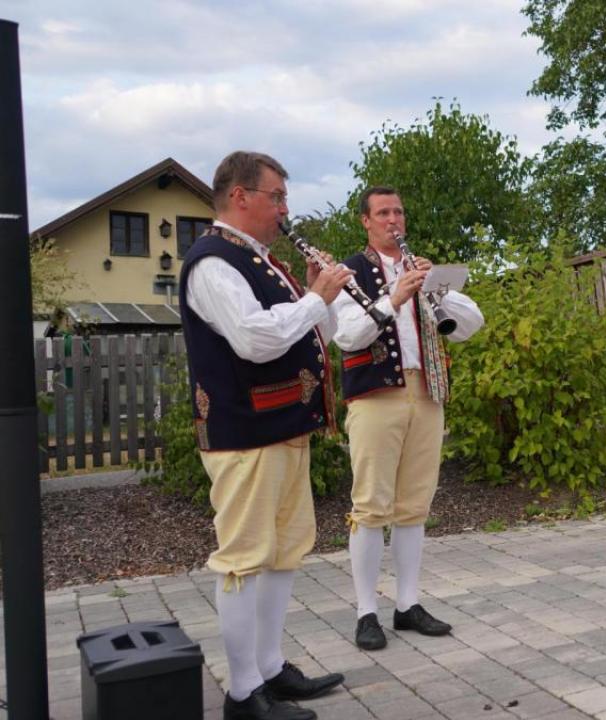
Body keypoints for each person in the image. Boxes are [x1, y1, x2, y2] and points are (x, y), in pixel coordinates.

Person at [179, 151, 346, 720]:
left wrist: (319, 297)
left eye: (284, 197)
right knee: (245, 558)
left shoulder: (261, 260)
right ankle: (243, 693)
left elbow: (315, 333)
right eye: (275, 196)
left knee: (282, 552)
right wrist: (315, 299)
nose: (284, 208)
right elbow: (253, 340)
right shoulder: (213, 262)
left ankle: (270, 668)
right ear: (239, 196)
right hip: (244, 431)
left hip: (283, 425)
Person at [332, 186, 484, 651]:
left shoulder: (425, 269)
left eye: (398, 211)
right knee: (371, 505)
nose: (393, 219)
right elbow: (347, 336)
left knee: (415, 504)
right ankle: (365, 612)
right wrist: (393, 298)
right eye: (383, 213)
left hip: (427, 390)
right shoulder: (349, 272)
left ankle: (407, 604)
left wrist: (435, 288)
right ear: (366, 221)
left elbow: (469, 327)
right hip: (376, 395)